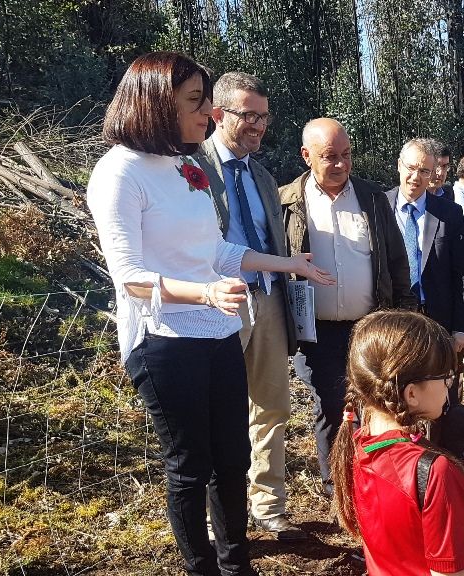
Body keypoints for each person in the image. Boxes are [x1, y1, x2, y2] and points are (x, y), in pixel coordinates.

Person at [88, 52, 333, 575]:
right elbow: (129, 277)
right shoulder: (119, 173)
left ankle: (236, 563)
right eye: (196, 101)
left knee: (232, 459)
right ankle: (202, 567)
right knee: (189, 467)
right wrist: (204, 295)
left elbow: (218, 251)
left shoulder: (185, 166)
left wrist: (286, 263)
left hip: (218, 332)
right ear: (156, 104)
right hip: (164, 340)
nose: (207, 113)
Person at [328, 310, 464, 576]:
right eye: (445, 378)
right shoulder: (435, 473)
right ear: (411, 393)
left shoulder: (358, 444)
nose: (449, 385)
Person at [192, 71, 303, 540]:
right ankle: (221, 519)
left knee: (272, 407)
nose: (259, 125)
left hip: (269, 299)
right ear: (218, 113)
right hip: (218, 304)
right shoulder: (191, 168)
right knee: (218, 414)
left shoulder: (261, 173)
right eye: (248, 115)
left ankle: (268, 506)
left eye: (264, 116)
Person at [279, 117, 416, 495]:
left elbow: (396, 261)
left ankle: (374, 478)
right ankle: (336, 483)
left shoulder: (372, 198)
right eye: (329, 157)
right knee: (330, 403)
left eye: (346, 155)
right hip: (315, 329)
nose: (340, 165)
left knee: (374, 401)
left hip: (368, 327)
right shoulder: (287, 201)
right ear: (307, 156)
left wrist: (404, 315)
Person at [385, 139, 464, 457]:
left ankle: (440, 461)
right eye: (411, 168)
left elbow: (463, 272)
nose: (416, 176)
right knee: (398, 392)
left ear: (433, 173)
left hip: (439, 322)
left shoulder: (449, 213)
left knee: (440, 397)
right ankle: (402, 458)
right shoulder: (380, 207)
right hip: (394, 323)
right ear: (399, 166)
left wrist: (461, 328)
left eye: (425, 170)